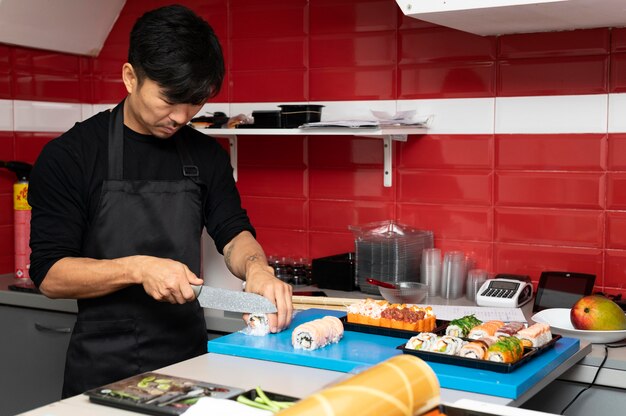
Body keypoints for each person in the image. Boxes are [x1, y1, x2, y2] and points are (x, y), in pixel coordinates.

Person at [27, 4, 293, 398]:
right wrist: (138, 268)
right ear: (130, 77)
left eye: (195, 103)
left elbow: (234, 233)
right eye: (170, 99)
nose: (182, 116)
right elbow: (50, 275)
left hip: (189, 364)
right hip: (102, 370)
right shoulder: (72, 156)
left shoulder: (205, 156)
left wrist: (257, 270)